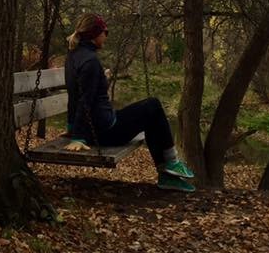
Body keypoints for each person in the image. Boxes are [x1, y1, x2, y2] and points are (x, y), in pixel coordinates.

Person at [64, 13, 195, 192]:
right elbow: (84, 100)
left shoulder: (73, 56)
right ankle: (171, 163)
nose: (106, 36)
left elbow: (76, 94)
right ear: (95, 34)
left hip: (98, 125)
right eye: (105, 32)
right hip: (105, 132)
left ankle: (167, 175)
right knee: (153, 105)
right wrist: (77, 136)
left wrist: (72, 126)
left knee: (150, 116)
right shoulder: (91, 62)